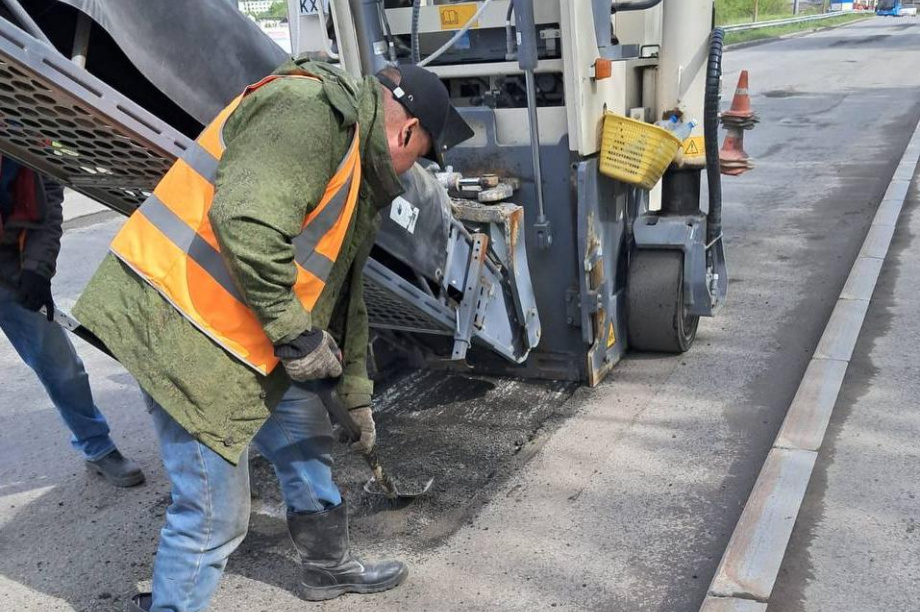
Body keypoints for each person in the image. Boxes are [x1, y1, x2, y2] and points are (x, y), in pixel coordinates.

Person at [72, 57, 472, 612]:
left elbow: (344, 300)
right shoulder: (308, 113)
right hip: (183, 330)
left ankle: (327, 568)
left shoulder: (357, 168)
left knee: (307, 440)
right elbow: (245, 221)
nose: (410, 170)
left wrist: (354, 395)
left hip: (245, 335)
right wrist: (292, 333)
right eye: (419, 156)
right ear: (406, 130)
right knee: (213, 512)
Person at [0, 156, 145, 487]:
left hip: (12, 264)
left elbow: (48, 191)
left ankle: (98, 448)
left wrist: (38, 267)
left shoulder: (20, 125)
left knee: (61, 367)